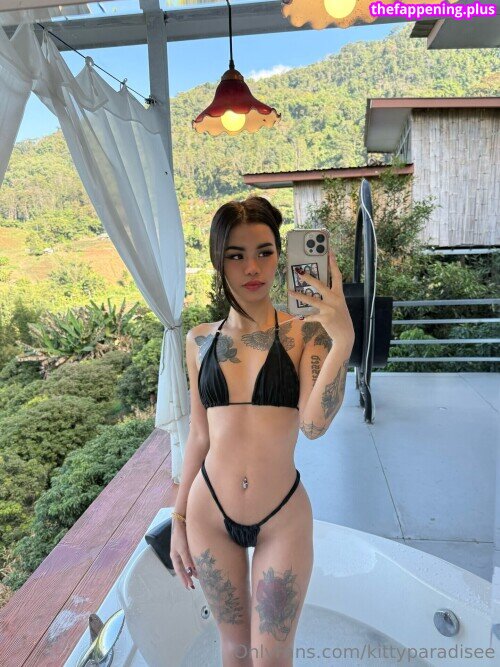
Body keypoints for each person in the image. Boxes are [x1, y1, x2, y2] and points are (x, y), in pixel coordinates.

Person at [170, 196, 355, 667]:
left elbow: (313, 425)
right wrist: (178, 519)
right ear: (219, 260)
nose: (252, 267)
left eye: (265, 252)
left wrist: (343, 340)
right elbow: (199, 436)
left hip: (281, 515)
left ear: (280, 256)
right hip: (209, 512)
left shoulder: (306, 333)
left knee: (271, 657)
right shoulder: (199, 340)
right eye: (236, 255)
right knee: (234, 651)